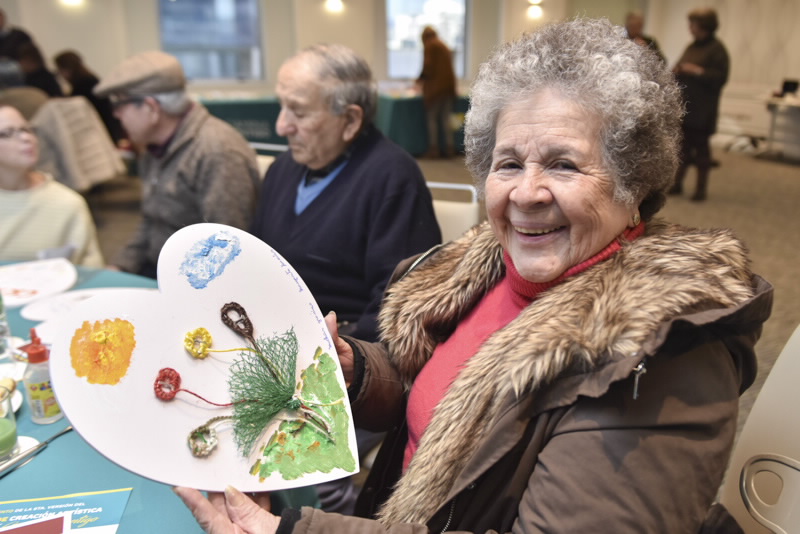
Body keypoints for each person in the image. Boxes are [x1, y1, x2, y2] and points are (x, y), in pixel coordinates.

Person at [176, 18, 773, 533]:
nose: (526, 193)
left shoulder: (663, 356)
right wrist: (355, 371)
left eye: (564, 165)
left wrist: (293, 531)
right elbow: (431, 397)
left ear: (632, 183)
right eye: (508, 163)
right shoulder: (484, 270)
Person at [249, 43, 441, 514]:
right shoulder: (283, 170)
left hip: (350, 364)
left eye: (297, 112)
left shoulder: (392, 177)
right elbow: (256, 265)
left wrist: (328, 359)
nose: (281, 126)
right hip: (271, 351)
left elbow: (402, 308)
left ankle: (329, 508)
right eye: (282, 108)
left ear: (350, 120)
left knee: (279, 456)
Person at [94, 50, 260, 278]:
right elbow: (150, 222)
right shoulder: (153, 147)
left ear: (151, 108)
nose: (116, 114)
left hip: (192, 282)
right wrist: (119, 267)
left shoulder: (218, 152)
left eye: (120, 104)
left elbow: (226, 249)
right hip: (158, 270)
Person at [0, 104, 103, 266]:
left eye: (26, 129)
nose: (26, 138)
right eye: (7, 133)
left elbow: (90, 270)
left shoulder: (67, 203)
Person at [669, 8, 729, 202]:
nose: (690, 28)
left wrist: (697, 71)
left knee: (702, 151)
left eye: (692, 24)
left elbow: (720, 78)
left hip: (703, 109)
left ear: (704, 26)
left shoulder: (717, 50)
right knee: (683, 149)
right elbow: (680, 65)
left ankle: (700, 189)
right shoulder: (691, 46)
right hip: (686, 106)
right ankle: (678, 184)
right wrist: (679, 70)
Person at [54, 50, 124, 144]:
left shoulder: (82, 86)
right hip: (108, 129)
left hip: (101, 130)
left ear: (66, 69)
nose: (61, 75)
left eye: (59, 71)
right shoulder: (90, 80)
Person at [416, 26, 457, 158]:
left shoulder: (430, 46)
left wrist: (420, 80)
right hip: (448, 88)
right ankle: (450, 148)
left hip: (435, 90)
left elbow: (428, 67)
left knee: (432, 119)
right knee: (445, 119)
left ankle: (433, 149)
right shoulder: (443, 45)